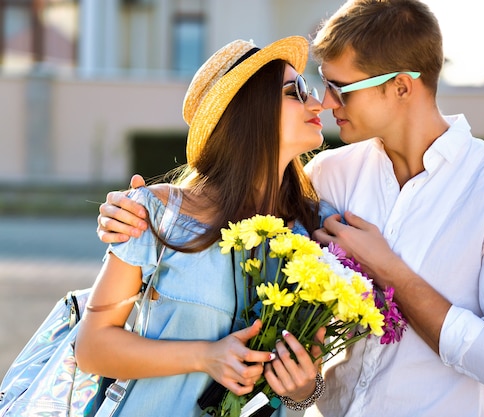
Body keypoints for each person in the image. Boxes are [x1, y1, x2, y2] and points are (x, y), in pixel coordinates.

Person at [96, 1, 484, 416]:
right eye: (312, 87)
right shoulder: (324, 181)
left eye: (340, 88)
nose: (324, 101)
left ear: (399, 87)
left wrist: (388, 271)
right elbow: (230, 196)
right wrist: (132, 212)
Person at [76, 36, 332, 417]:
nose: (319, 102)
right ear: (249, 110)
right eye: (296, 91)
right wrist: (206, 357)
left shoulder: (317, 229)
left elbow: (304, 385)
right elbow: (92, 348)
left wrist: (304, 386)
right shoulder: (155, 211)